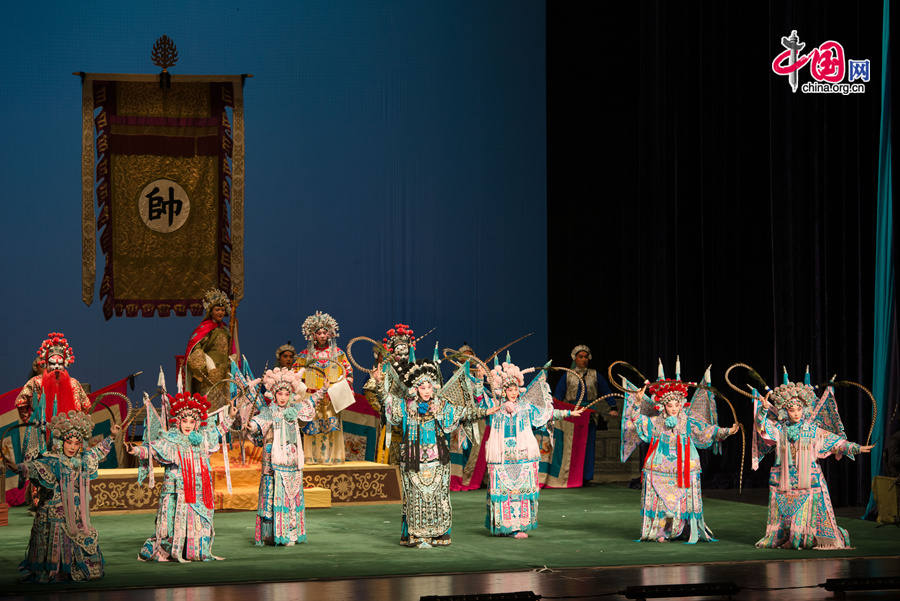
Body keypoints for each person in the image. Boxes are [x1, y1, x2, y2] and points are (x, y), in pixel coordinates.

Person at [383, 355, 499, 547]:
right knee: (415, 497)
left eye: (429, 387)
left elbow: (464, 412)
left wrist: (486, 411)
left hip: (438, 458)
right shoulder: (406, 405)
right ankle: (416, 535)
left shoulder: (441, 405)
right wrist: (379, 384)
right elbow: (387, 401)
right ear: (415, 388)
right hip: (413, 459)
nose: (427, 391)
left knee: (438, 497)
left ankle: (439, 535)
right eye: (422, 387)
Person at [622, 360, 739, 542]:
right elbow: (637, 420)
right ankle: (661, 531)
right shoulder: (656, 421)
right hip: (660, 464)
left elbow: (706, 430)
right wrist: (637, 403)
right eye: (670, 406)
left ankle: (682, 530)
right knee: (661, 501)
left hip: (685, 464)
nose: (674, 409)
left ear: (682, 404)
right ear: (663, 406)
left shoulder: (687, 420)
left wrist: (726, 431)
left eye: (677, 405)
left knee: (684, 500)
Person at [753, 373, 874, 549]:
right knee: (782, 511)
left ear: (804, 410)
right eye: (792, 410)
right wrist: (763, 410)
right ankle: (783, 536)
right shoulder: (780, 429)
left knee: (806, 510)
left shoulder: (812, 430)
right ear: (785, 411)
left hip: (807, 478)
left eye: (799, 409)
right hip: (783, 478)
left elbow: (835, 442)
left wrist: (856, 448)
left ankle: (801, 538)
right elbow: (762, 428)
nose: (796, 413)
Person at [3, 411, 119, 582]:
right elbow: (34, 466)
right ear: (61, 442)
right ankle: (56, 569)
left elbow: (99, 451)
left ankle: (75, 567)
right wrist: (17, 467)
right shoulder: (53, 460)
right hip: (54, 512)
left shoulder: (84, 459)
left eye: (76, 443)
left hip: (77, 513)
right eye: (69, 442)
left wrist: (112, 436)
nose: (72, 447)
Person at [477, 357, 585, 538]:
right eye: (509, 389)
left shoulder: (526, 407)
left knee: (521, 492)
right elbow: (480, 402)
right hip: (502, 455)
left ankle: (518, 526)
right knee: (503, 491)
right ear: (503, 390)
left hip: (523, 455)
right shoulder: (495, 407)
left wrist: (568, 412)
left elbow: (546, 414)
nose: (513, 393)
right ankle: (503, 526)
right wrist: (480, 380)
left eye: (515, 389)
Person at [127, 392, 236, 561]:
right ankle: (170, 548)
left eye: (192, 421)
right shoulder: (171, 440)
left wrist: (230, 417)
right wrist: (135, 450)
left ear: (197, 423)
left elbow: (218, 432)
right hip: (176, 492)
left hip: (199, 491)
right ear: (178, 421)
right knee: (171, 526)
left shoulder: (202, 439)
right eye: (184, 421)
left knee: (198, 522)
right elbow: (152, 450)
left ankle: (194, 550)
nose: (188, 425)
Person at [244, 368, 322, 546]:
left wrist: (323, 390)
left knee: (291, 494)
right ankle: (273, 533)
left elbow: (310, 402)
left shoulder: (294, 409)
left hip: (292, 460)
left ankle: (290, 532)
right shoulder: (269, 411)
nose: (283, 397)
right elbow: (258, 422)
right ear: (273, 393)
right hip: (273, 457)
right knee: (272, 492)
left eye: (287, 394)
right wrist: (252, 427)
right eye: (280, 393)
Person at [16, 333, 91, 461]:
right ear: (46, 364)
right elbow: (21, 402)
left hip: (68, 441)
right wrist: (31, 421)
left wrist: (75, 426)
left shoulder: (74, 383)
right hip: (41, 436)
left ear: (65, 364)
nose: (56, 367)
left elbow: (85, 406)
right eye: (52, 363)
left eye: (60, 364)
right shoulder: (36, 382)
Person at [293, 310, 353, 464]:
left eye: (324, 332)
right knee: (313, 427)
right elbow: (295, 377)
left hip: (331, 398)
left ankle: (332, 458)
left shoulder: (338, 354)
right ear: (312, 335)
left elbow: (348, 373)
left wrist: (338, 388)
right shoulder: (303, 356)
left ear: (330, 334)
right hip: (312, 398)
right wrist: (302, 391)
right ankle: (312, 458)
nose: (321, 335)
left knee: (331, 428)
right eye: (318, 332)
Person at [553, 345, 617, 483]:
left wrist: (613, 406)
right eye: (580, 357)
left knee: (588, 445)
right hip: (572, 415)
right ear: (574, 358)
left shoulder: (595, 375)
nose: (583, 359)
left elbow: (606, 391)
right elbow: (557, 396)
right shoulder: (568, 376)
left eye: (585, 357)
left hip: (589, 415)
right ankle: (571, 476)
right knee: (571, 445)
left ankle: (586, 477)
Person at [184, 289, 234, 409]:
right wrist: (207, 367)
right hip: (209, 376)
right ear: (211, 312)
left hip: (224, 376)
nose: (220, 312)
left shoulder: (225, 330)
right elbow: (196, 347)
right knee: (209, 406)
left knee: (224, 407)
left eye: (222, 310)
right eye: (217, 310)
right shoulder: (206, 328)